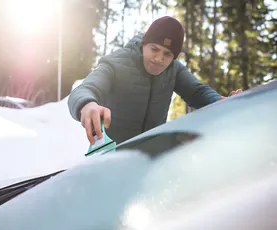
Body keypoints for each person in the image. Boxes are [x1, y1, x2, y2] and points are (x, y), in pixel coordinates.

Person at [68, 16, 242, 145]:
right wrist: (87, 104)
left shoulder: (174, 69)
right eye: (154, 49)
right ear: (144, 44)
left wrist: (221, 102)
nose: (159, 59)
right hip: (111, 153)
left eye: (167, 54)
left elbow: (198, 92)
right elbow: (86, 88)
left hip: (150, 155)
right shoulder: (117, 62)